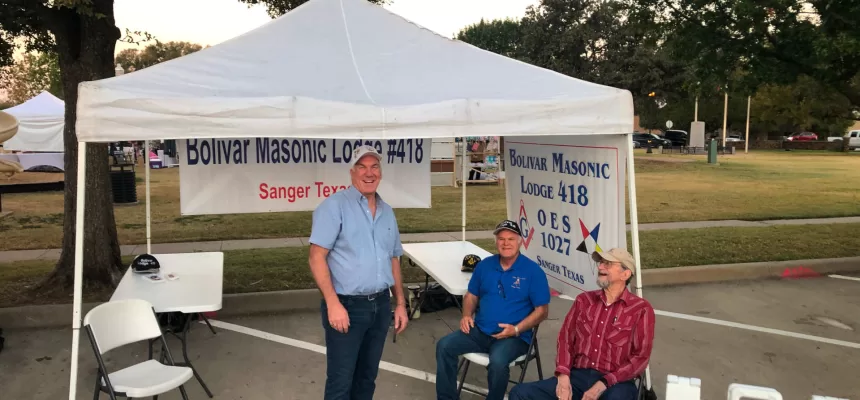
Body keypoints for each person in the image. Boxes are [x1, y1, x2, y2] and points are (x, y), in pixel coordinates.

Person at [308, 145, 409, 400]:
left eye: (374, 167)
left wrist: (400, 304)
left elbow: (393, 259)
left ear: (381, 173)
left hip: (381, 306)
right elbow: (316, 257)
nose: (369, 173)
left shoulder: (387, 212)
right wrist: (333, 304)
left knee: (366, 379)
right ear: (352, 172)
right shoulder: (334, 207)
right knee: (341, 383)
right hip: (347, 306)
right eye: (362, 167)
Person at [508, 248, 655, 400]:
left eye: (608, 264)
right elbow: (566, 339)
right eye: (600, 263)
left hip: (616, 382)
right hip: (578, 376)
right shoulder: (584, 300)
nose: (600, 267)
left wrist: (604, 383)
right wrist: (563, 375)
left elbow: (640, 357)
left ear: (625, 274)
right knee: (519, 394)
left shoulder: (640, 309)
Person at [436, 220, 550, 400]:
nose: (506, 243)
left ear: (520, 241)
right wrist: (466, 315)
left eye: (511, 239)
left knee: (497, 362)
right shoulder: (485, 265)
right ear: (496, 242)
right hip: (480, 331)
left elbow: (542, 310)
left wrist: (516, 329)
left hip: (514, 337)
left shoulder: (533, 271)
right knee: (444, 346)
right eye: (501, 239)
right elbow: (471, 295)